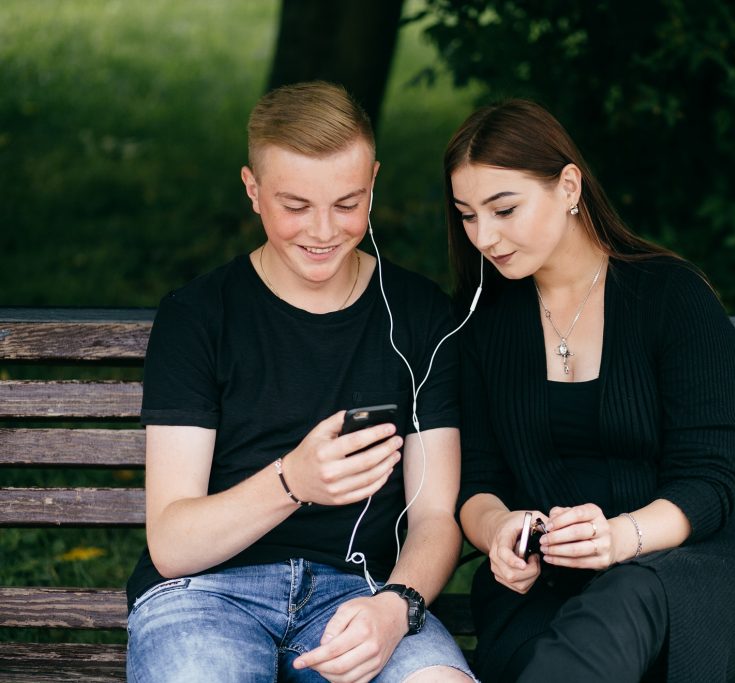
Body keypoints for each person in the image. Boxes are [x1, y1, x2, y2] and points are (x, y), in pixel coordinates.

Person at [126, 81, 475, 683]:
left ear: (373, 181)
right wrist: (294, 481)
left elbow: (435, 517)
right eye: (295, 206)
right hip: (205, 595)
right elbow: (173, 544)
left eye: (347, 204)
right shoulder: (200, 316)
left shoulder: (418, 315)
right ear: (253, 190)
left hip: (361, 595)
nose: (323, 231)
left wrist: (396, 607)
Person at [444, 99, 735, 682]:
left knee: (627, 597)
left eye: (504, 209)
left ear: (568, 186)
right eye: (468, 215)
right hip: (544, 593)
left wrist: (618, 538)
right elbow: (478, 482)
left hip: (687, 581)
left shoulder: (672, 300)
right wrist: (498, 530)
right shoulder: (480, 326)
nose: (484, 237)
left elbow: (705, 486)